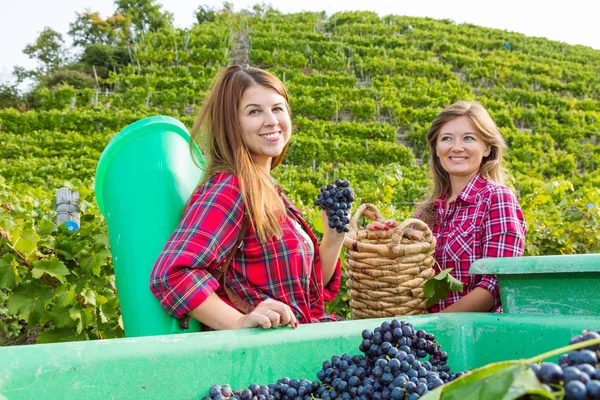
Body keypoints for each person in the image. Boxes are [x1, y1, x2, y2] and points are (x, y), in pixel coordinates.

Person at [150, 65, 345, 330]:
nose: (272, 120)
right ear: (231, 124)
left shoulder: (267, 189)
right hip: (256, 362)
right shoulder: (230, 187)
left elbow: (303, 293)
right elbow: (172, 275)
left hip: (289, 349)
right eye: (254, 111)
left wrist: (333, 240)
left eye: (277, 108)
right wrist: (240, 321)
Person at [369, 100, 526, 313]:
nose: (456, 147)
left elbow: (496, 285)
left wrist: (433, 327)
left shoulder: (496, 199)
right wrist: (386, 237)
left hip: (473, 337)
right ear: (436, 148)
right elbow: (405, 275)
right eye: (446, 139)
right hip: (425, 337)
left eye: (468, 138)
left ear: (487, 148)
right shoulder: (427, 212)